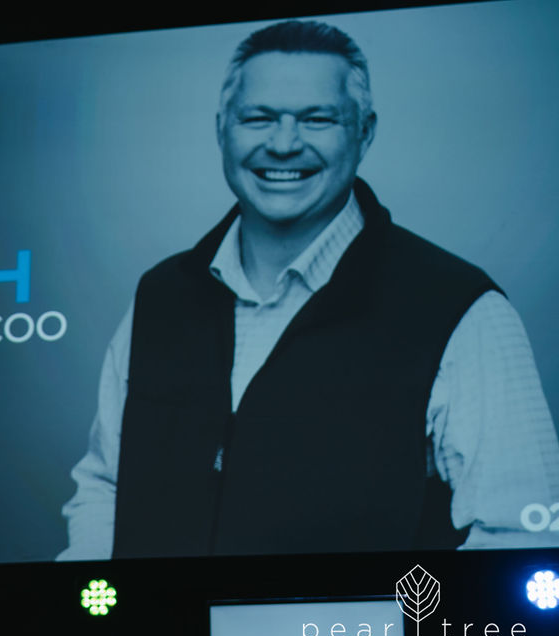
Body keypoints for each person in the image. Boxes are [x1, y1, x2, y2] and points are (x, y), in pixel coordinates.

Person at [58, 20, 559, 560]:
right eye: (258, 118)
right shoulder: (160, 298)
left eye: (317, 119)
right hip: (159, 621)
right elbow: (105, 485)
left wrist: (394, 619)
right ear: (222, 129)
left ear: (364, 132)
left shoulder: (462, 310)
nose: (283, 144)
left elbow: (522, 534)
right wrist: (98, 602)